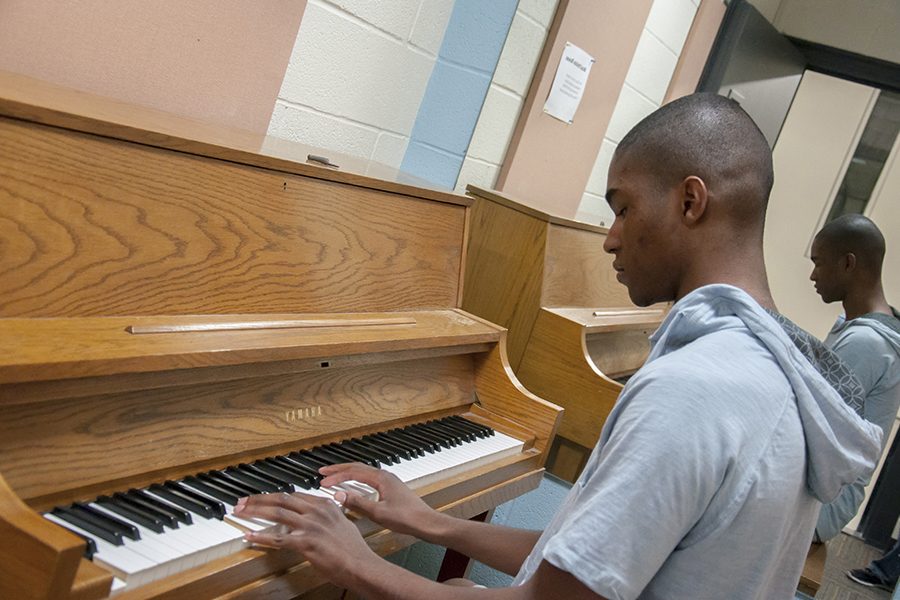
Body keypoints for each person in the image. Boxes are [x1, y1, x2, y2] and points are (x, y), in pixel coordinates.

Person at [233, 93, 882, 599]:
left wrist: (360, 562)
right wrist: (429, 522)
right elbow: (588, 563)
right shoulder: (772, 367)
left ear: (690, 201)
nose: (609, 238)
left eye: (622, 208)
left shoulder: (696, 389)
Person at [809, 214, 900, 542]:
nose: (812, 275)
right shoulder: (869, 328)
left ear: (848, 263)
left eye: (818, 264)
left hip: (821, 507)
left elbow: (810, 428)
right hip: (828, 494)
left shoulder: (867, 343)